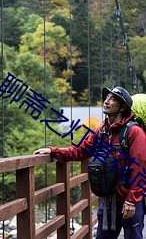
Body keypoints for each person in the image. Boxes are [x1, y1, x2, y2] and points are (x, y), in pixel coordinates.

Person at [33, 86, 146, 239]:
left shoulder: (134, 132)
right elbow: (81, 151)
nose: (106, 101)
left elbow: (140, 167)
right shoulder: (101, 132)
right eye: (106, 98)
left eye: (112, 99)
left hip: (129, 200)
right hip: (109, 199)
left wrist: (132, 201)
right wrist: (53, 151)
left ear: (123, 107)